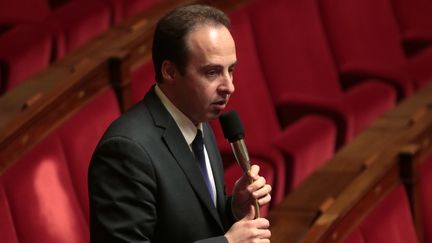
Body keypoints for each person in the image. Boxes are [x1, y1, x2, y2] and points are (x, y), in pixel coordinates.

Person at [88, 4, 272, 243]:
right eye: (212, 73)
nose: (229, 87)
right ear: (170, 72)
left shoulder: (199, 120)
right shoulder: (126, 151)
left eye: (231, 70)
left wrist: (232, 210)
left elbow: (191, 225)